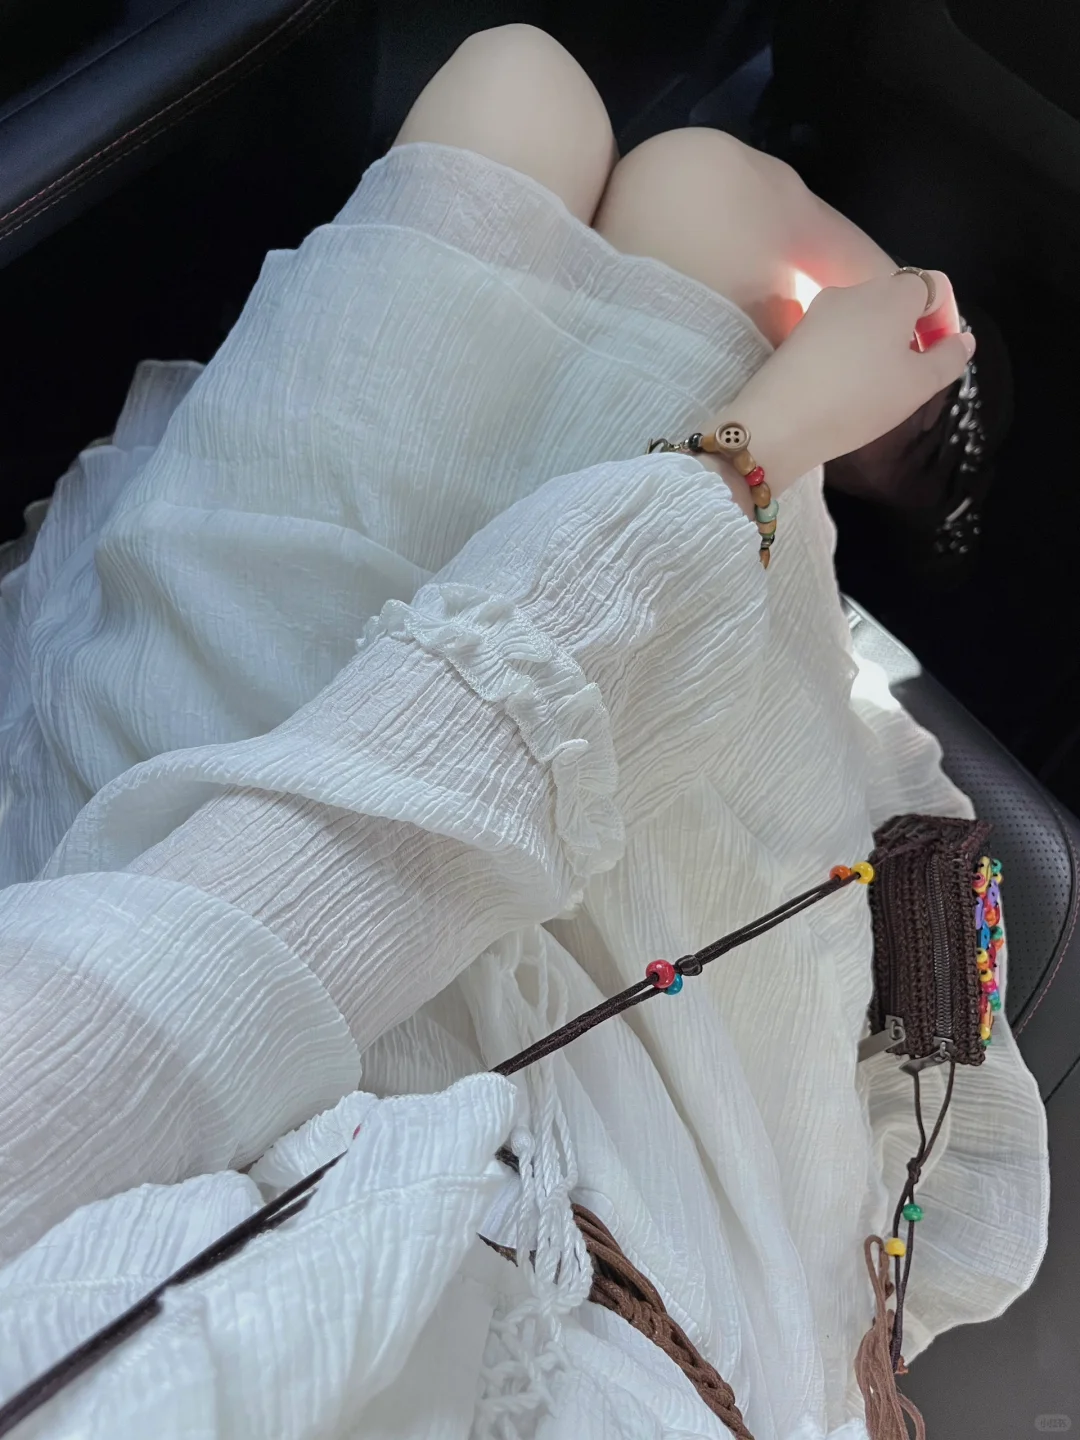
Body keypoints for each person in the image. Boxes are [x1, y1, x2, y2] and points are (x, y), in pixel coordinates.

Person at [0, 24, 1047, 1440]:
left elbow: (230, 955)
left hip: (191, 871)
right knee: (684, 188)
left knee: (528, 95)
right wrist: (754, 450)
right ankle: (930, 452)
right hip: (632, 1134)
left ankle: (910, 433)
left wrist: (753, 451)